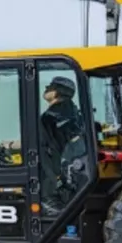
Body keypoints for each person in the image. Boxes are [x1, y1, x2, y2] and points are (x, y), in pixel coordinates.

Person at [40, 76, 88, 215]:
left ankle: (50, 203)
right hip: (72, 169)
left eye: (50, 86)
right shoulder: (73, 113)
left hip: (57, 176)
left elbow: (39, 144)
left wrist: (10, 145)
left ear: (56, 92)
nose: (46, 88)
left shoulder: (49, 118)